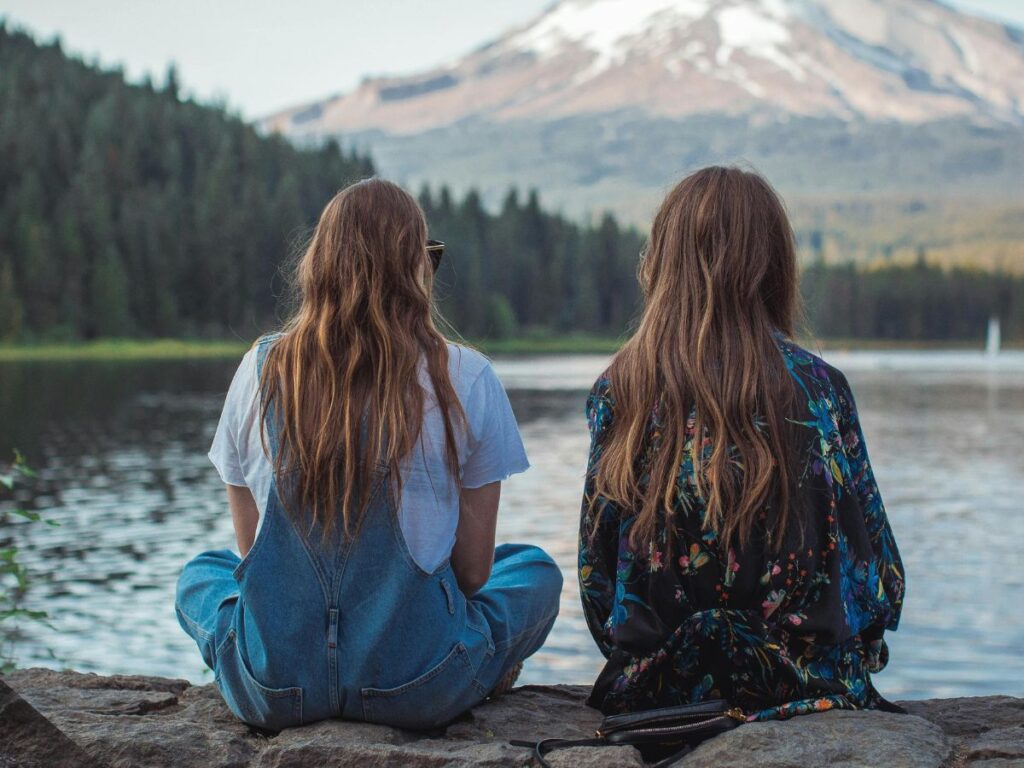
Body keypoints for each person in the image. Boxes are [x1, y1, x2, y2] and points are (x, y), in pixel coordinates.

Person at [175, 178, 562, 731]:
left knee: (203, 573)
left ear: (319, 266)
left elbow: (251, 556)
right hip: (417, 687)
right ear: (416, 269)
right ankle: (481, 662)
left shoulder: (261, 369)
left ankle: (245, 663)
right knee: (532, 570)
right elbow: (475, 573)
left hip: (277, 688)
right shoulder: (466, 376)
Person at [578, 166, 905, 721]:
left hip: (661, 689)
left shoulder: (621, 389)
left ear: (663, 262)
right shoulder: (820, 388)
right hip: (804, 684)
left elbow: (597, 580)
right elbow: (880, 580)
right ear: (774, 267)